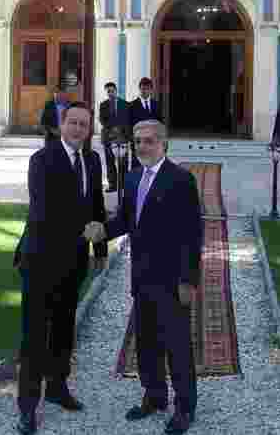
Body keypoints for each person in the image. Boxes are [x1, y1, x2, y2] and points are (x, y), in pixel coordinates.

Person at [84, 119, 202, 434]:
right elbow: (126, 220)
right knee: (147, 344)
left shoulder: (181, 180)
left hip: (172, 280)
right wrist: (102, 232)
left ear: (164, 144)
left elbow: (192, 234)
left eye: (149, 141)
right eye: (137, 141)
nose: (141, 146)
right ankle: (155, 397)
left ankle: (185, 408)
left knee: (177, 346)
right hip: (142, 277)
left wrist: (188, 280)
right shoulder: (134, 177)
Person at [13, 102, 106, 435]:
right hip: (41, 260)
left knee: (65, 328)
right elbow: (44, 211)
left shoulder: (92, 160)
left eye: (84, 124)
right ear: (61, 124)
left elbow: (96, 203)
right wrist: (80, 233)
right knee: (35, 335)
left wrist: (100, 248)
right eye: (74, 122)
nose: (79, 129)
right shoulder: (42, 160)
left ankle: (57, 387)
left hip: (75, 261)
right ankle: (27, 406)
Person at [100, 81, 131, 193]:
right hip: (108, 137)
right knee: (110, 162)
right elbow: (102, 120)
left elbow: (128, 120)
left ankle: (123, 185)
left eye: (112, 91)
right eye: (108, 91)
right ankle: (112, 185)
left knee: (123, 162)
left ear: (116, 91)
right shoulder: (103, 105)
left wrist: (120, 129)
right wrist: (112, 129)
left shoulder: (125, 104)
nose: (110, 93)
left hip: (122, 137)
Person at [129, 77, 163, 169]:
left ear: (151, 90)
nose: (144, 91)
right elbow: (129, 125)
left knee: (152, 166)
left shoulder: (156, 105)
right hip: (138, 142)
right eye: (142, 88)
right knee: (137, 168)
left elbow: (160, 123)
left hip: (152, 142)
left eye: (147, 89)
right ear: (139, 89)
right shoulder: (132, 105)